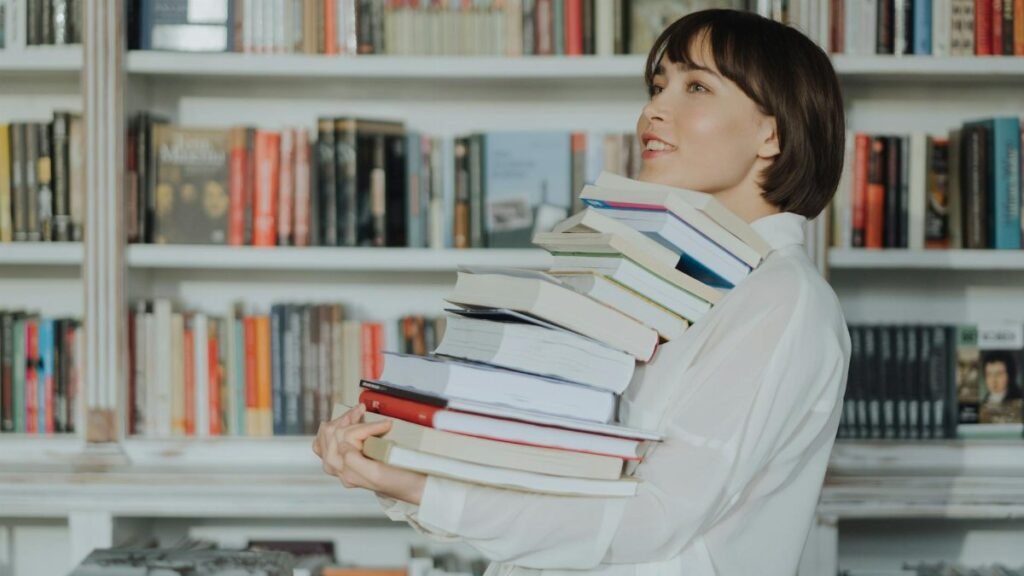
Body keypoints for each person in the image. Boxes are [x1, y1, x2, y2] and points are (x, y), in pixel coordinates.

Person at [313, 8, 850, 576]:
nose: (655, 109)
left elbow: (652, 520)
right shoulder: (664, 277)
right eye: (658, 85)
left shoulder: (782, 300)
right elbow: (555, 480)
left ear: (773, 133)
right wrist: (391, 459)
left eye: (696, 86)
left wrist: (423, 489)